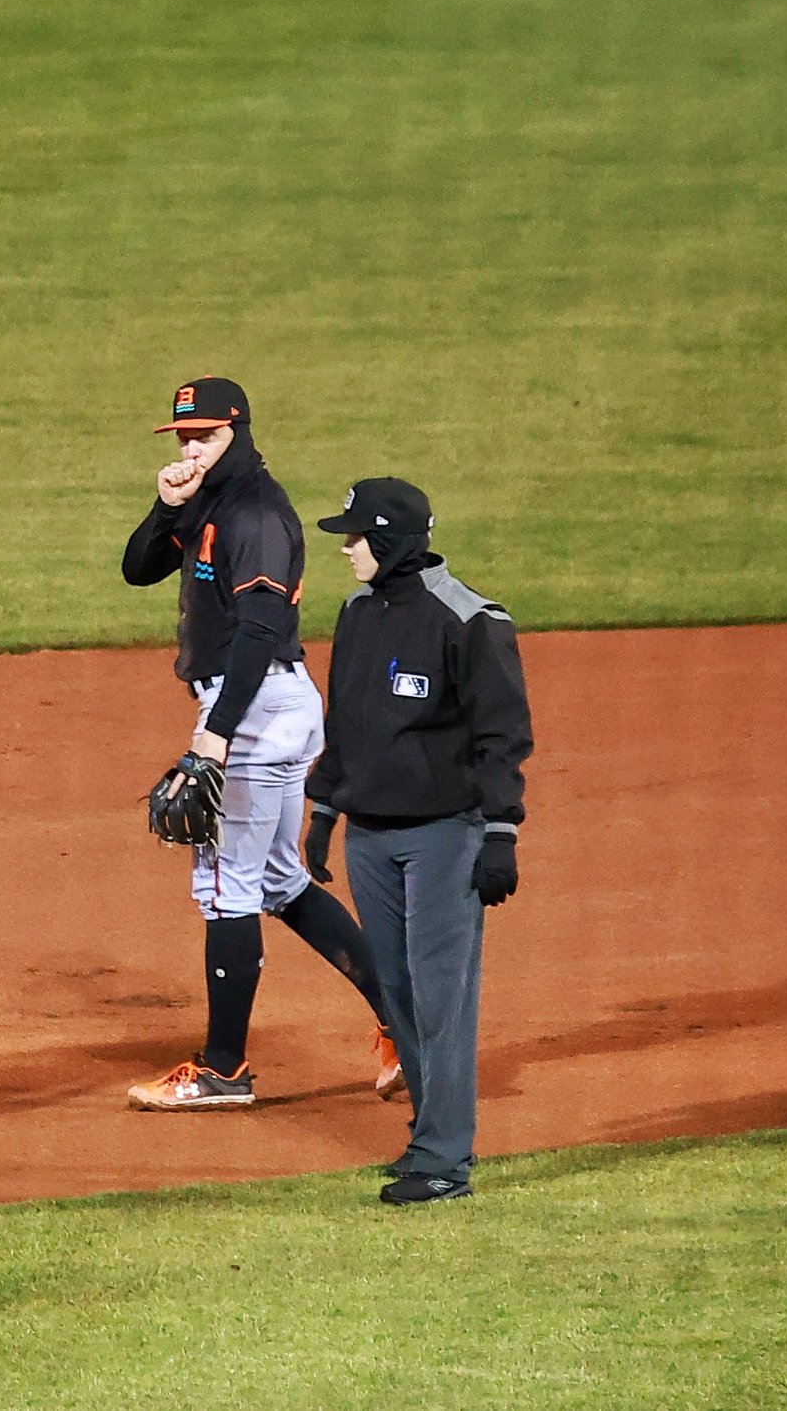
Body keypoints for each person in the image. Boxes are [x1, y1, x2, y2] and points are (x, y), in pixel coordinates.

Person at [120, 377, 394, 1110]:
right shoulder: (208, 496)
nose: (191, 446)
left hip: (254, 706)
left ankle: (222, 1072)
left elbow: (262, 627)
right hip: (266, 707)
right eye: (183, 436)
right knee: (277, 880)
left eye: (204, 436)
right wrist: (167, 504)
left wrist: (215, 736)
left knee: (225, 891)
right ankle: (405, 1021)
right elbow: (138, 567)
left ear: (238, 431)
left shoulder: (257, 515)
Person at [304, 478, 532, 1204]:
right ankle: (426, 1138)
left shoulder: (469, 620)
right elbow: (345, 721)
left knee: (441, 997)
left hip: (444, 836)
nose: (345, 549)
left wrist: (499, 832)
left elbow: (503, 736)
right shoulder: (357, 611)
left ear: (394, 542)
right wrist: (322, 812)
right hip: (369, 835)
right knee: (398, 992)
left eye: (356, 536)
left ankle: (444, 1158)